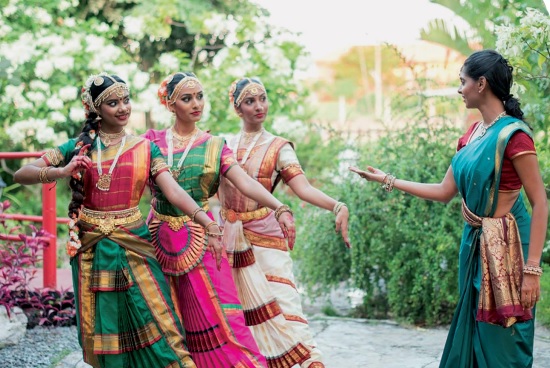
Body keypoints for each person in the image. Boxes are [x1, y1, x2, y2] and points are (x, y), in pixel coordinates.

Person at [12, 72, 226, 368]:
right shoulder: (75, 147)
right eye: (113, 103)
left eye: (126, 100)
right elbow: (20, 174)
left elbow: (173, 191)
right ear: (95, 109)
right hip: (92, 248)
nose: (123, 108)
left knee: (158, 318)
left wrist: (207, 222)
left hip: (134, 242)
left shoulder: (145, 147)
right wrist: (61, 172)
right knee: (103, 327)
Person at [350, 49, 548, 367]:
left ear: (481, 84)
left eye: (462, 82)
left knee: (504, 338)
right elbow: (444, 192)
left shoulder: (514, 137)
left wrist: (532, 271)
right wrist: (387, 179)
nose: (459, 89)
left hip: (511, 251)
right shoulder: (470, 136)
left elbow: (540, 202)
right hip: (474, 246)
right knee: (474, 329)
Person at [143, 71, 297, 368]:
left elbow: (245, 181)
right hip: (156, 236)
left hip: (203, 236)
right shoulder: (151, 141)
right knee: (162, 315)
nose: (196, 104)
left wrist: (280, 207)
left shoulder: (214, 145)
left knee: (223, 313)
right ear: (170, 105)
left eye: (199, 96)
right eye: (187, 99)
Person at [217, 77, 350, 368]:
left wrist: (337, 205)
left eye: (262, 99)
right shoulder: (222, 144)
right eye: (250, 101)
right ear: (238, 108)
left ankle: (310, 362)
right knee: (237, 314)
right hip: (228, 237)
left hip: (265, 237)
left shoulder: (278, 147)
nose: (259, 106)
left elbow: (302, 189)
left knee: (284, 306)